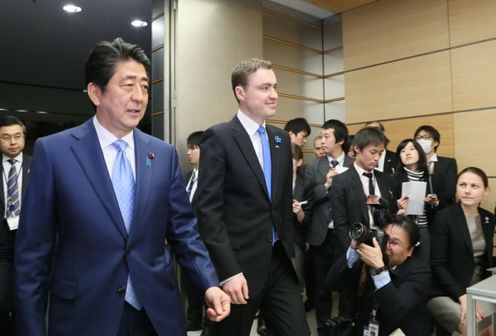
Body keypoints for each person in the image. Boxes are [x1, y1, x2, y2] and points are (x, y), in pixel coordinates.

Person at [14, 38, 229, 336]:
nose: (139, 97)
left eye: (144, 86)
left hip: (156, 313)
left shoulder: (162, 154)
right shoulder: (55, 152)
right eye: (128, 85)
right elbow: (33, 253)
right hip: (85, 314)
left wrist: (208, 282)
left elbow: (183, 230)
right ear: (95, 92)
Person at [195, 58, 310, 336]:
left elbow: (281, 204)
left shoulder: (281, 140)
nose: (274, 95)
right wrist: (228, 271)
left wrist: (289, 246)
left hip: (278, 262)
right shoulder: (219, 137)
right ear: (241, 92)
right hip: (239, 267)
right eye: (264, 87)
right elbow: (207, 211)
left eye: (275, 87)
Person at [326, 215, 432, 336]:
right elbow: (331, 283)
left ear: (410, 250)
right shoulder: (367, 260)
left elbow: (397, 312)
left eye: (394, 243)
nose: (386, 246)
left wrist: (379, 269)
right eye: (385, 238)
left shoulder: (420, 272)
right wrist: (354, 249)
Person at [429, 167, 495, 335]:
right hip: (446, 292)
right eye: (462, 185)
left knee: (491, 327)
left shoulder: (488, 218)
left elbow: (484, 258)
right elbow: (438, 265)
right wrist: (462, 296)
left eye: (474, 186)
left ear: (485, 191)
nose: (467, 190)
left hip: (478, 289)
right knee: (478, 329)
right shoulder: (444, 217)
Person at [304, 119, 353, 335]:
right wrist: (325, 185)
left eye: (327, 136)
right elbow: (307, 198)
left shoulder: (354, 164)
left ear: (340, 140)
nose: (322, 141)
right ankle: (323, 326)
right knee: (322, 286)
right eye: (321, 136)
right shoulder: (314, 167)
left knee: (346, 285)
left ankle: (344, 325)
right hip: (321, 235)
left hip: (346, 234)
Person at [0, 116, 31, 336]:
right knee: (2, 299)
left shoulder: (38, 164)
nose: (13, 142)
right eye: (6, 137)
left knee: (28, 299)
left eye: (17, 136)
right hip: (2, 242)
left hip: (31, 239)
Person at [392, 139, 437, 262]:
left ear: (420, 153)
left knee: (423, 265)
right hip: (403, 229)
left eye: (412, 149)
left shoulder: (430, 178)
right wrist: (398, 207)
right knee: (403, 264)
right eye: (403, 150)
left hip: (423, 229)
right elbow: (388, 210)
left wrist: (434, 203)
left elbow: (442, 205)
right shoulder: (394, 180)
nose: (407, 153)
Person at [413, 125, 457, 210]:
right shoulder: (412, 164)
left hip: (441, 211)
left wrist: (436, 201)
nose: (422, 140)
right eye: (418, 138)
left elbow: (450, 192)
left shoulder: (448, 163)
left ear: (436, 142)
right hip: (417, 213)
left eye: (426, 137)